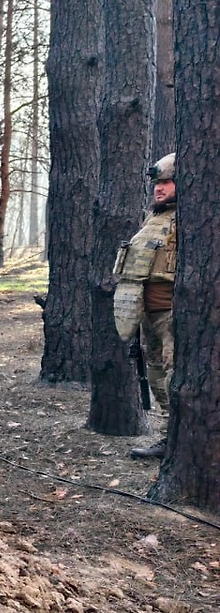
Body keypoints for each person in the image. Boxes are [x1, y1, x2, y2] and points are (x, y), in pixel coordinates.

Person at [114, 152, 177, 459]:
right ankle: (169, 439)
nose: (159, 188)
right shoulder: (153, 218)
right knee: (156, 377)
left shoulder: (187, 220)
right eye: (157, 183)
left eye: (166, 182)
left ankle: (180, 440)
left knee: (172, 376)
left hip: (172, 314)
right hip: (149, 314)